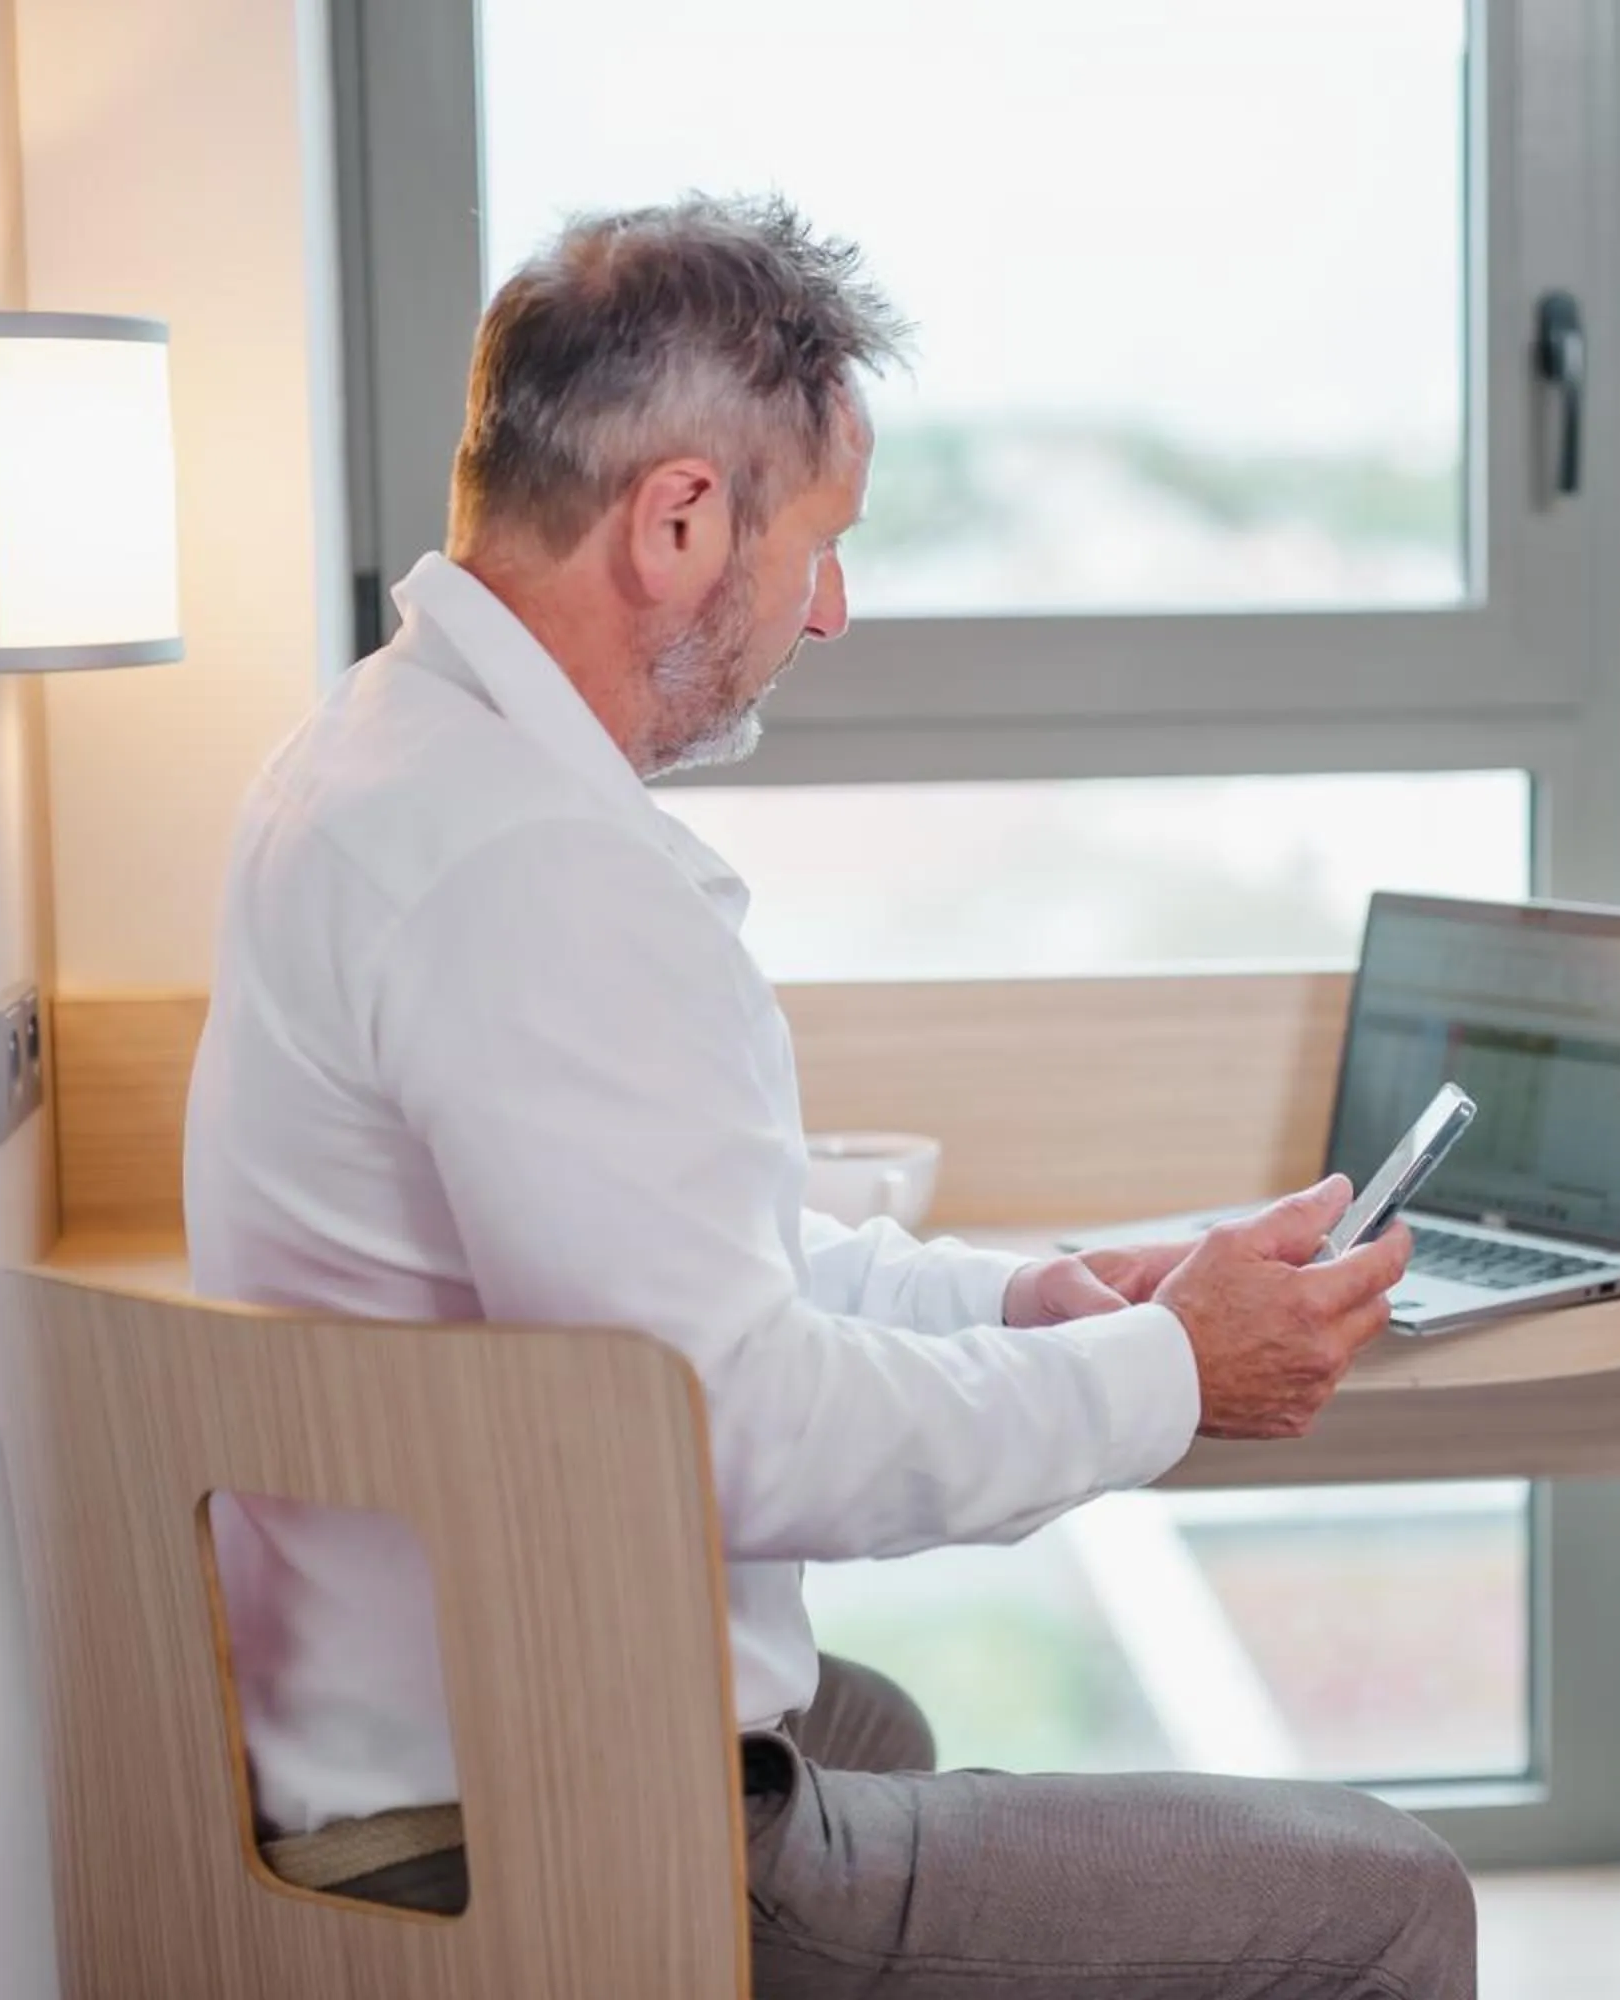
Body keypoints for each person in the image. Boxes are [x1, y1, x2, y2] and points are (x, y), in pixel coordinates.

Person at [181, 194, 1471, 1998]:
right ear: (680, 521)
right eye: (822, 545)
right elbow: (737, 1427)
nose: (833, 612)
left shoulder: (380, 759)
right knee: (1389, 1902)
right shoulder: (537, 869)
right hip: (534, 1814)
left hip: (406, 1720)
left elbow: (676, 1267)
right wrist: (1176, 1372)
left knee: (872, 1723)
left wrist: (1031, 1300)